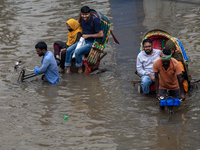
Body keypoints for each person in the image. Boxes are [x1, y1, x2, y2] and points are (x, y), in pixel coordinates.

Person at [65, 6, 104, 74]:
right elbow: (78, 23)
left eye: (86, 14)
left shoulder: (94, 20)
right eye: (83, 14)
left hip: (92, 43)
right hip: (83, 41)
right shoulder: (82, 19)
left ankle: (79, 69)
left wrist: (88, 36)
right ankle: (68, 70)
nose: (84, 16)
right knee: (68, 50)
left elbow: (101, 34)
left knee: (77, 52)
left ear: (89, 14)